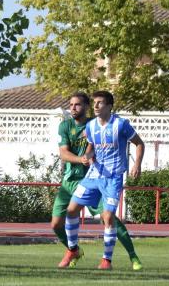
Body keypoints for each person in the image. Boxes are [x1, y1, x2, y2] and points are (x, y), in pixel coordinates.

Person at [52, 92, 142, 270]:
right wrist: (88, 156)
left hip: (112, 177)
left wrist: (137, 164)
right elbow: (90, 147)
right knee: (70, 211)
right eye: (95, 103)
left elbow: (139, 143)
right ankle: (73, 249)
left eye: (100, 103)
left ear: (109, 106)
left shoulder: (120, 124)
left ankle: (109, 260)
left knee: (108, 217)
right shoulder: (91, 126)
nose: (96, 106)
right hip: (92, 176)